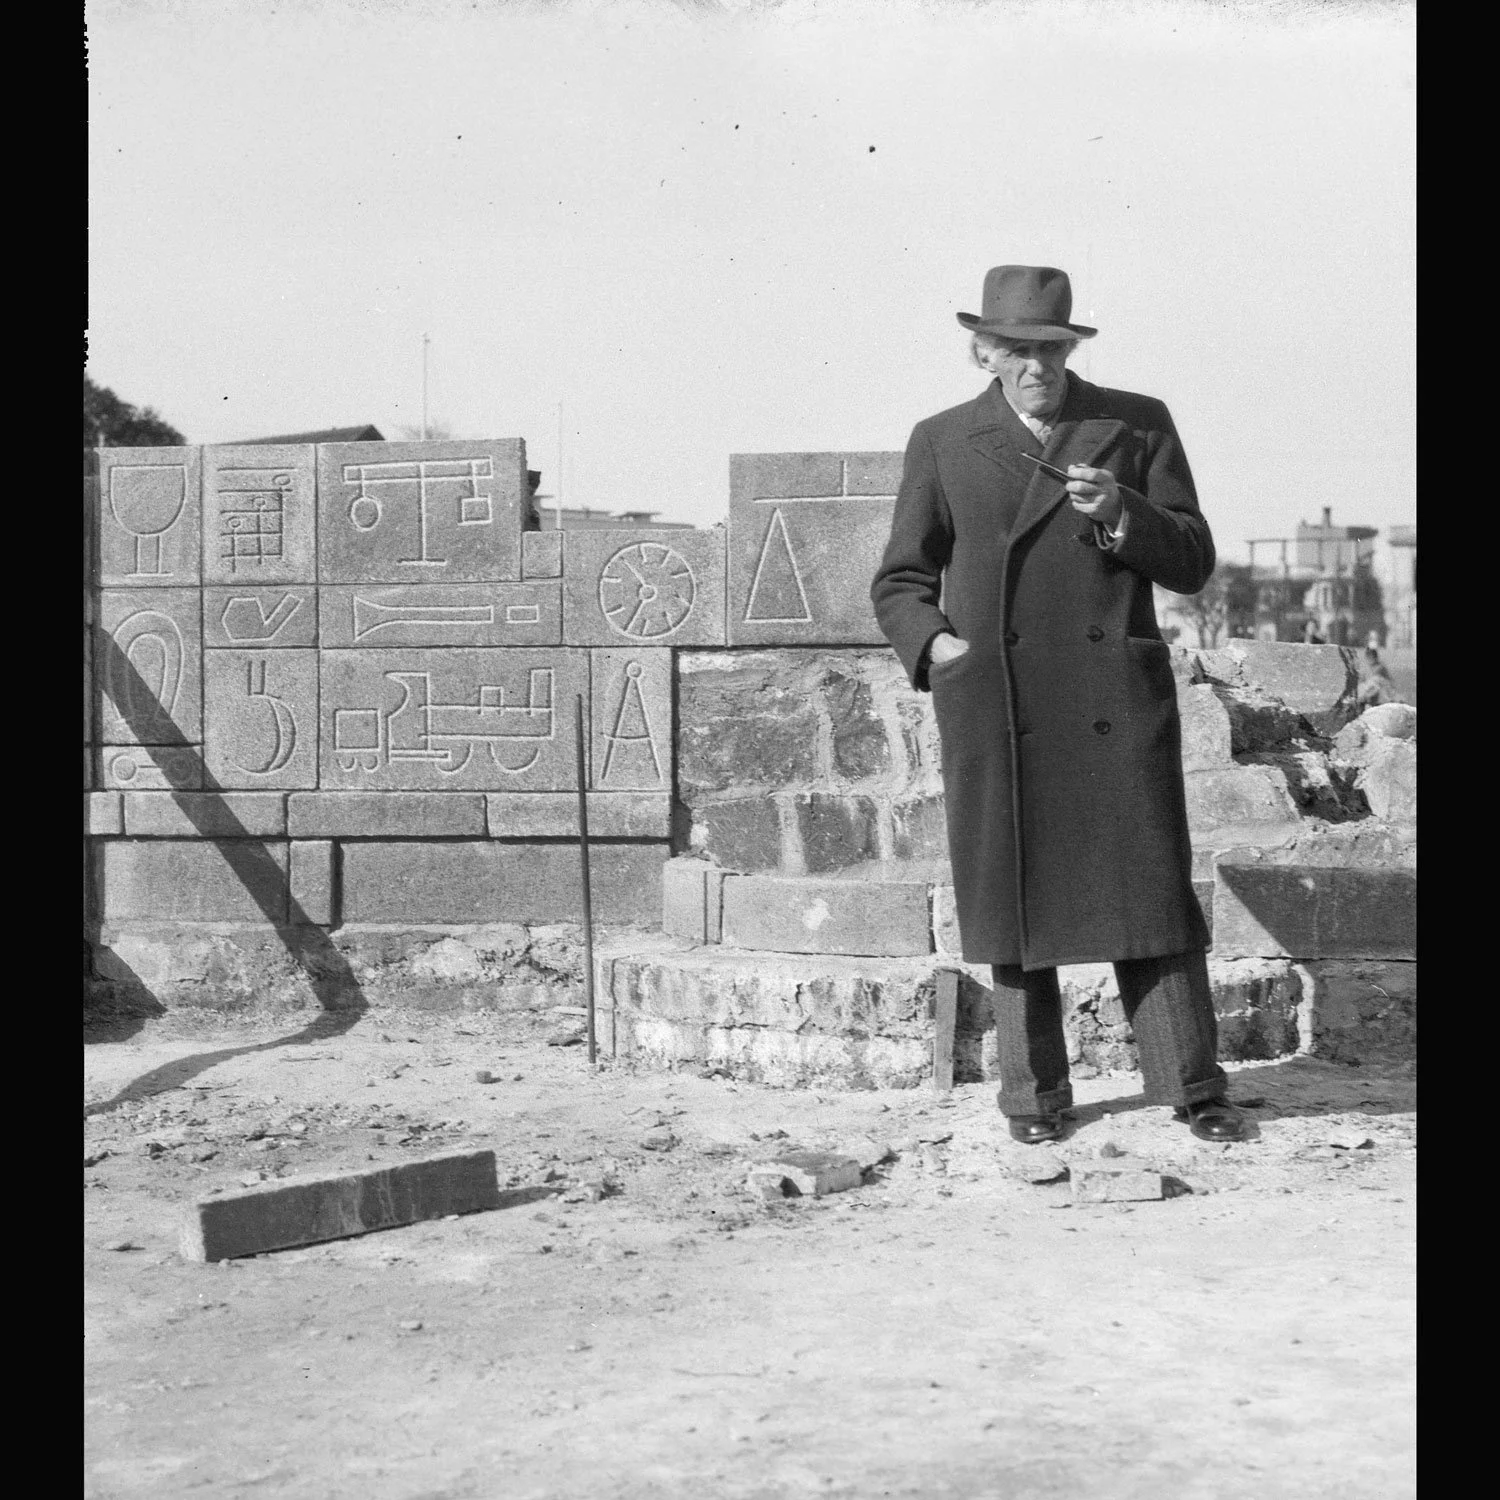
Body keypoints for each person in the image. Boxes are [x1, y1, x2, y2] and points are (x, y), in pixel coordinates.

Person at [871, 264, 1244, 1144]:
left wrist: (1125, 512)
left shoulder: (1135, 422)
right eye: (1017, 350)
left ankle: (1195, 1090)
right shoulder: (944, 439)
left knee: (1148, 889)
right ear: (983, 353)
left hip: (1112, 692)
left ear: (1072, 348)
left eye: (1052, 348)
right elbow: (901, 578)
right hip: (1001, 698)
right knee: (1013, 895)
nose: (1036, 366)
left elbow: (1191, 559)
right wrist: (940, 650)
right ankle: (1034, 1101)